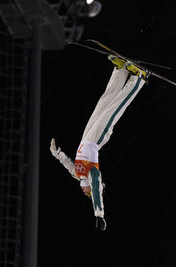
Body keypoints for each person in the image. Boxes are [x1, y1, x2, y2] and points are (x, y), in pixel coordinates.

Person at [50, 55, 149, 231]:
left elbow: (67, 164)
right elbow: (96, 191)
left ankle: (120, 71)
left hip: (85, 137)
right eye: (87, 194)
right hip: (96, 140)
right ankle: (138, 79)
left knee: (103, 104)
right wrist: (99, 215)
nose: (85, 193)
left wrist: (57, 153)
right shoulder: (92, 175)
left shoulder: (78, 174)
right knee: (115, 109)